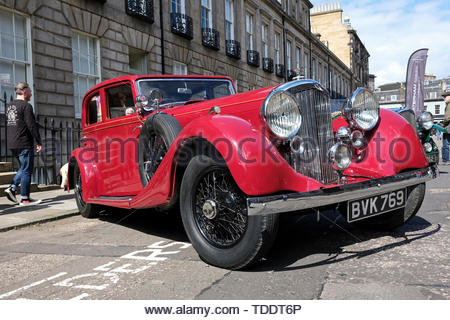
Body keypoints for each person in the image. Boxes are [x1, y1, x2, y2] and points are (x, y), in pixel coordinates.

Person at [4, 82, 42, 205]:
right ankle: (25, 198)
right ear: (24, 91)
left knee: (23, 168)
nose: (31, 94)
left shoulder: (9, 106)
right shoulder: (26, 106)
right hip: (23, 142)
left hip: (12, 143)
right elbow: (31, 125)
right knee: (27, 170)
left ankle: (12, 188)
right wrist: (38, 141)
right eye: (30, 91)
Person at [442, 88, 450, 165]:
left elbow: (447, 117)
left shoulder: (449, 105)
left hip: (448, 127)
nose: (443, 98)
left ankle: (446, 160)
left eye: (445, 96)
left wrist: (443, 124)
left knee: (446, 145)